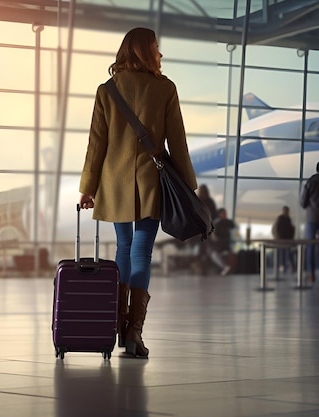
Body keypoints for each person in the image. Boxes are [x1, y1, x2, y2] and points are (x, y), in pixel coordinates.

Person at [78, 27, 197, 358]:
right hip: (150, 181)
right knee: (141, 251)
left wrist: (88, 187)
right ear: (145, 51)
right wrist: (188, 185)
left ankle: (113, 324)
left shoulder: (107, 90)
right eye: (157, 48)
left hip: (113, 181)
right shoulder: (165, 88)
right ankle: (134, 332)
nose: (160, 54)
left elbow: (96, 143)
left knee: (124, 247)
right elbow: (178, 141)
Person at [207, 208, 236, 276]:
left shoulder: (229, 222)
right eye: (223, 213)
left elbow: (234, 231)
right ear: (219, 214)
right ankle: (226, 267)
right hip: (219, 244)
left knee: (227, 254)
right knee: (215, 254)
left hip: (227, 243)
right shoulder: (217, 223)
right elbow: (214, 235)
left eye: (225, 213)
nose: (225, 215)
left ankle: (228, 267)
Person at [271, 205, 295, 274]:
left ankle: (286, 268)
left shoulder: (288, 219)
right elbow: (276, 229)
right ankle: (282, 267)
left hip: (287, 241)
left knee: (287, 254)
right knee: (282, 255)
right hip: (281, 241)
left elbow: (290, 229)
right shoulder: (280, 219)